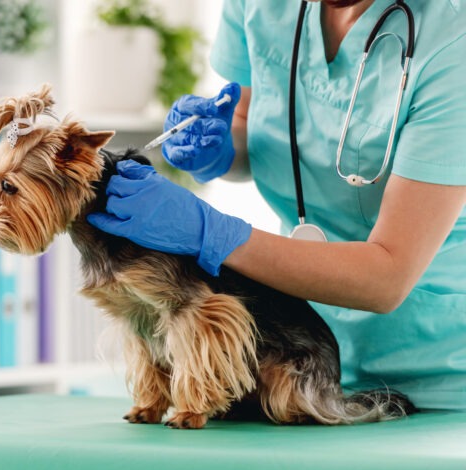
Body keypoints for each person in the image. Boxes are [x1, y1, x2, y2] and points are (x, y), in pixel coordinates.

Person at [87, 0, 466, 410]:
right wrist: (221, 147)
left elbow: (389, 275)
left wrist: (213, 234)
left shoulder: (452, 39)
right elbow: (249, 118)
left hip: (435, 372)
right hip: (289, 354)